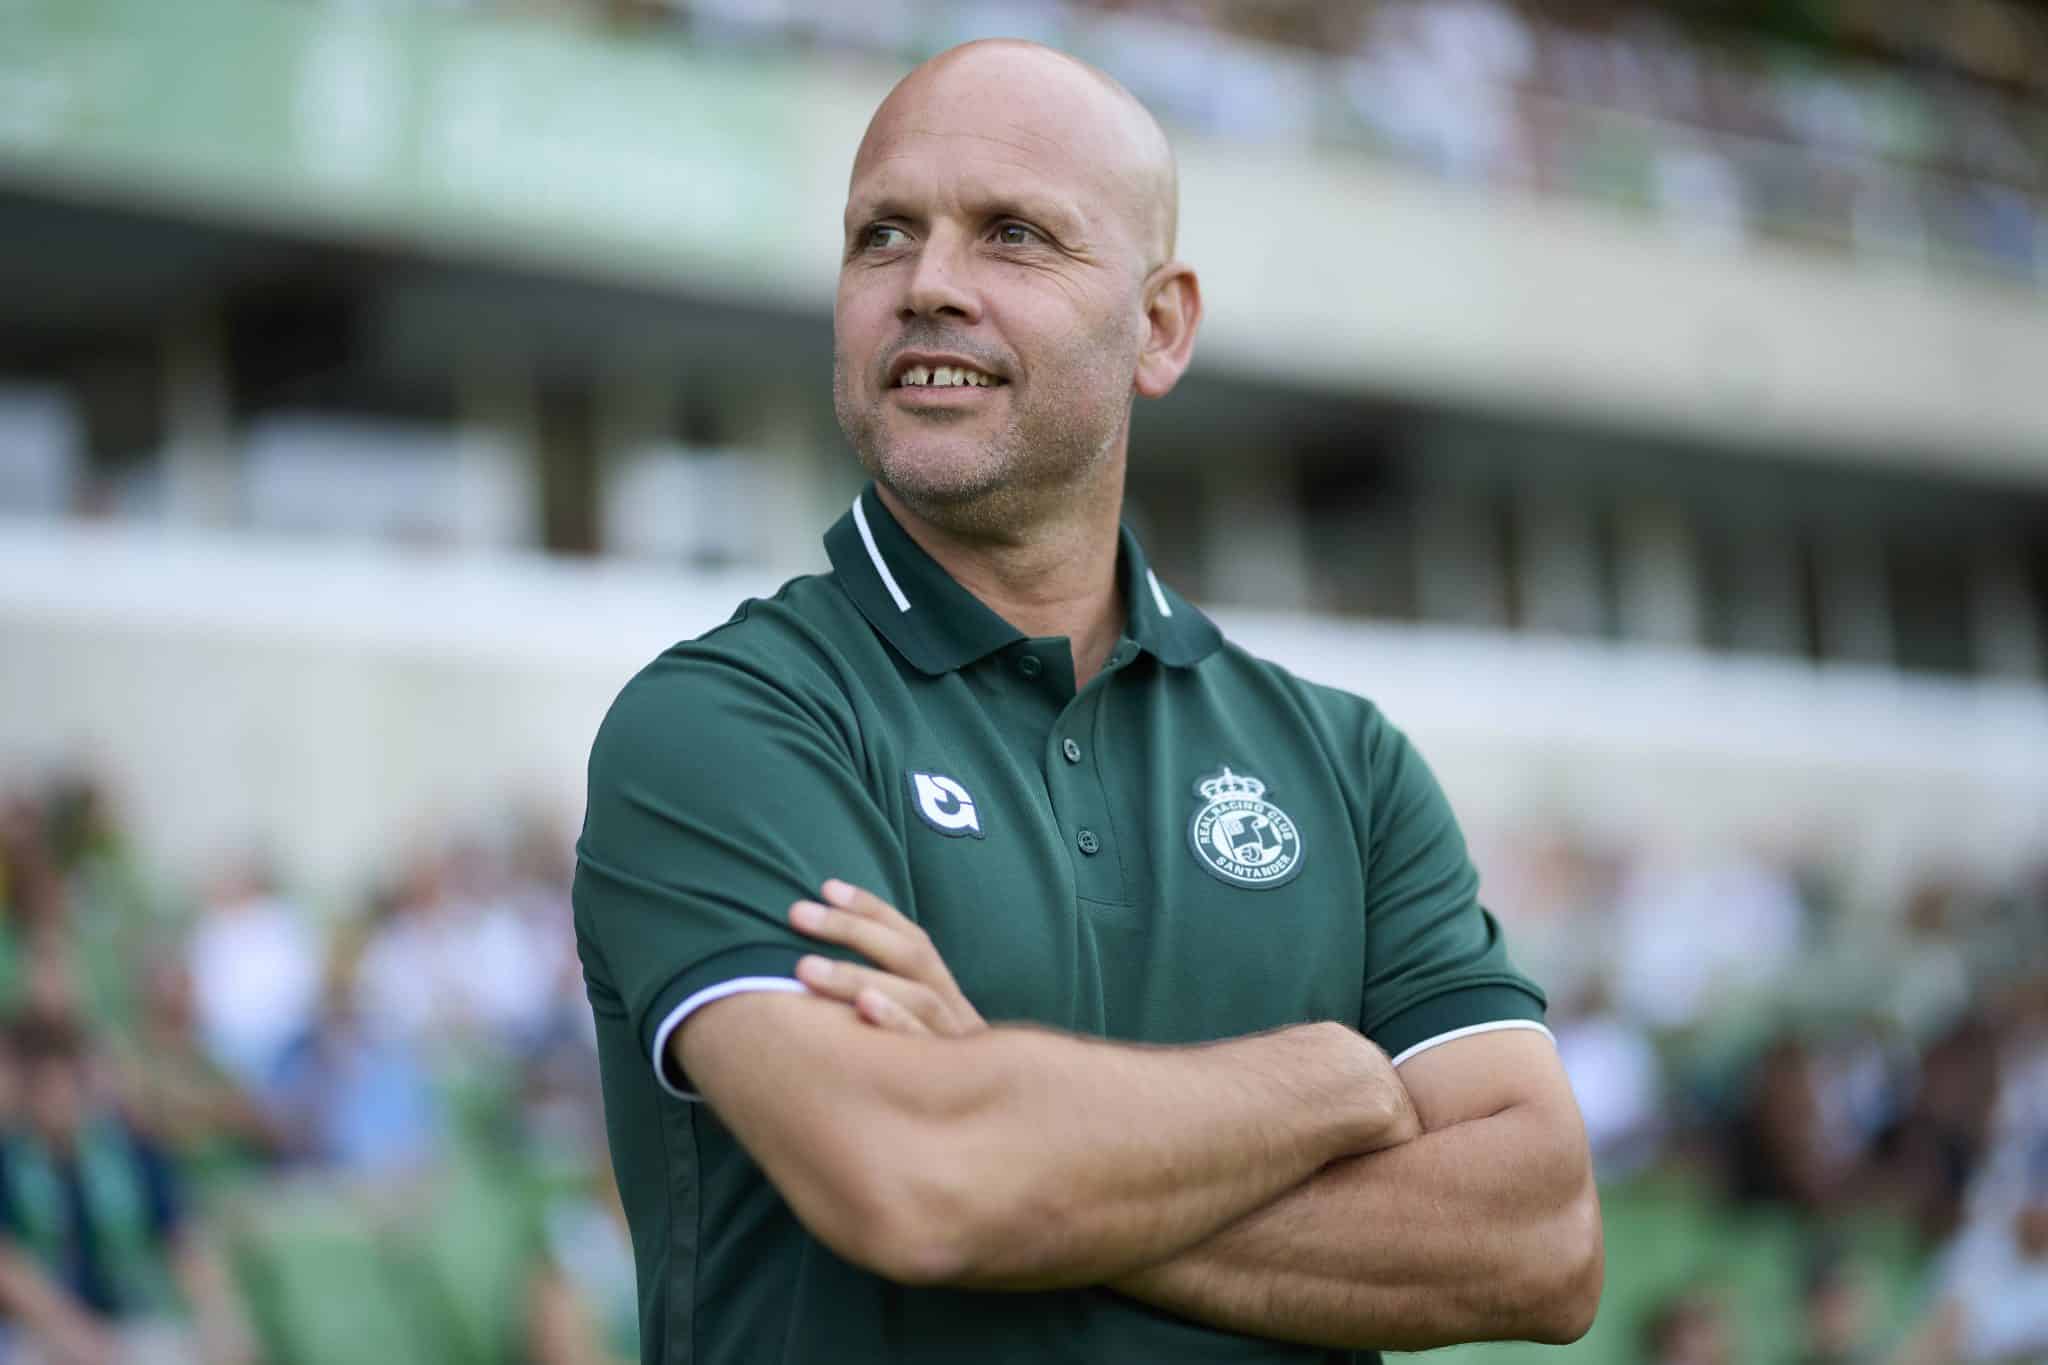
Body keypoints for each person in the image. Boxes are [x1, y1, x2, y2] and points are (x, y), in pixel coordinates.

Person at [573, 39, 1601, 1365]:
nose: (929, 284)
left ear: (1159, 326)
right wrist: (1331, 1082)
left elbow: (1541, 1238)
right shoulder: (725, 723)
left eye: (1011, 235)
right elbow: (920, 1177)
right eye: (883, 234)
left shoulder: (1346, 764)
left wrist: (1019, 1130)